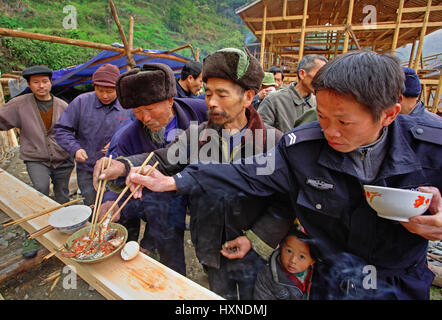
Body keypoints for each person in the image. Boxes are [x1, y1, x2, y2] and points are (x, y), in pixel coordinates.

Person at [121, 51, 442, 300]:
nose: (328, 131)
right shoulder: (302, 147)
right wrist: (171, 181)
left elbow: (281, 206)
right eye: (321, 116)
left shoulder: (432, 146)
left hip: (399, 281)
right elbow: (245, 174)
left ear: (388, 114)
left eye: (343, 122)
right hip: (329, 279)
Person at [94, 48, 293, 300]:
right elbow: (163, 158)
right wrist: (122, 166)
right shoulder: (196, 136)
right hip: (210, 244)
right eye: (208, 93)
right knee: (219, 295)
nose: (211, 102)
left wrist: (255, 240)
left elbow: (284, 202)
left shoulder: (271, 142)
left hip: (252, 248)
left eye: (222, 94)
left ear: (248, 97)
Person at [98, 63, 208, 274]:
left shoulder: (199, 111)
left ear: (169, 101)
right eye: (138, 112)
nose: (145, 118)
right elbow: (118, 177)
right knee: (168, 245)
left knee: (206, 238)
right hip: (162, 201)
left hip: (200, 186)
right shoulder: (127, 136)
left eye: (150, 109)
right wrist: (109, 202)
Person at [0, 65, 75, 258]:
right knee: (39, 191)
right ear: (29, 84)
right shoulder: (19, 104)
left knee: (63, 195)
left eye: (44, 81)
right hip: (36, 157)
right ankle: (32, 234)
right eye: (36, 82)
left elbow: (74, 131)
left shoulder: (62, 105)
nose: (41, 86)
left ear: (50, 82)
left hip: (62, 159)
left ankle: (65, 233)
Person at [54, 64, 132, 206]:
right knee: (92, 206)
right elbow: (61, 129)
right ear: (93, 86)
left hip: (119, 170)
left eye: (110, 91)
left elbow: (138, 132)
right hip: (87, 168)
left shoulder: (129, 105)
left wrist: (118, 141)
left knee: (117, 210)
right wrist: (75, 149)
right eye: (100, 90)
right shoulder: (81, 102)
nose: (104, 95)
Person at [258, 54, 327, 133]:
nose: (322, 81)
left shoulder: (319, 104)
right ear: (302, 74)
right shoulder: (274, 100)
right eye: (319, 75)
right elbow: (259, 134)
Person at [254, 225, 316, 300]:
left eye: (302, 256)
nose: (293, 260)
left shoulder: (321, 275)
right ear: (281, 247)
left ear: (313, 260)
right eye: (289, 251)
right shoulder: (267, 275)